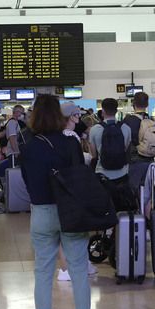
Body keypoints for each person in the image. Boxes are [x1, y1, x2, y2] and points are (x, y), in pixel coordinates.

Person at [20, 94, 98, 309]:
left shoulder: (29, 147)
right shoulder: (70, 143)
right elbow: (80, 176)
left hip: (41, 212)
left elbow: (27, 182)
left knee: (43, 270)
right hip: (70, 212)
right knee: (78, 269)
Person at [56, 103, 98, 282]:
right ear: (71, 117)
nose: (79, 118)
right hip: (72, 186)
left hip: (61, 187)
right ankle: (67, 268)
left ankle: (73, 265)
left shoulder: (56, 136)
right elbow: (78, 162)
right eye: (77, 115)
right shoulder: (71, 136)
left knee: (67, 229)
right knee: (75, 229)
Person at [88, 97, 132, 199]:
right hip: (122, 173)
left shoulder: (94, 130)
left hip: (102, 174)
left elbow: (93, 155)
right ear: (116, 111)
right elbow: (125, 149)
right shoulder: (126, 128)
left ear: (102, 111)